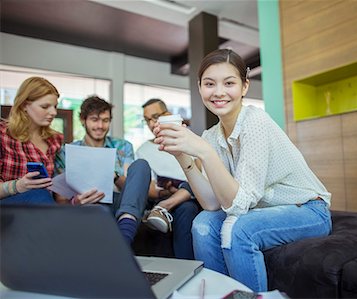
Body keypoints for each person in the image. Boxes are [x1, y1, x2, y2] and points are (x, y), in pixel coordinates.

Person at [153, 49, 332, 292]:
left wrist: (205, 151)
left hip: (308, 209)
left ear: (244, 87)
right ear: (200, 87)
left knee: (238, 229)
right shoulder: (212, 135)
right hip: (262, 210)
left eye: (229, 83)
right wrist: (181, 154)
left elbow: (238, 205)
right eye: (209, 84)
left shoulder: (255, 122)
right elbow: (212, 204)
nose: (218, 92)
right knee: (203, 224)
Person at [55, 96, 151, 245]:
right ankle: (123, 243)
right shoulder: (67, 152)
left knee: (141, 165)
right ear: (83, 120)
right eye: (94, 120)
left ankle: (126, 227)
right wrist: (76, 201)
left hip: (121, 203)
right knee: (97, 209)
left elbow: (132, 188)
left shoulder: (123, 146)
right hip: (88, 204)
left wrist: (112, 175)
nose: (100, 125)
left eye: (105, 120)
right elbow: (60, 200)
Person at [136, 98, 200, 259]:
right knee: (185, 207)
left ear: (168, 115)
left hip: (192, 194)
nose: (151, 124)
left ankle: (186, 268)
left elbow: (200, 172)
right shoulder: (143, 150)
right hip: (164, 196)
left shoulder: (189, 140)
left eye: (156, 117)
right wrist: (164, 192)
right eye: (147, 120)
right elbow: (149, 189)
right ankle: (163, 206)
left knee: (189, 198)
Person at [0, 77, 63, 205]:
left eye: (55, 106)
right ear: (24, 105)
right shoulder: (3, 135)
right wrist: (18, 186)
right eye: (45, 106)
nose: (53, 112)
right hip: (8, 212)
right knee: (39, 194)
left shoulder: (55, 140)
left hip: (42, 209)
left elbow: (58, 191)